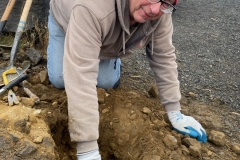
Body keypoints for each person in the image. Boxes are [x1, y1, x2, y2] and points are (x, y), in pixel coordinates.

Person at [47, 0, 207, 159]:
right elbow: (80, 75)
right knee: (61, 79)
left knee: (106, 83)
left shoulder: (161, 11)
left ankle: (111, 50)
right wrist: (87, 150)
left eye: (166, 2)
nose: (155, 9)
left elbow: (163, 56)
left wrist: (174, 111)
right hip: (68, 22)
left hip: (105, 30)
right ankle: (99, 45)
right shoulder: (90, 8)